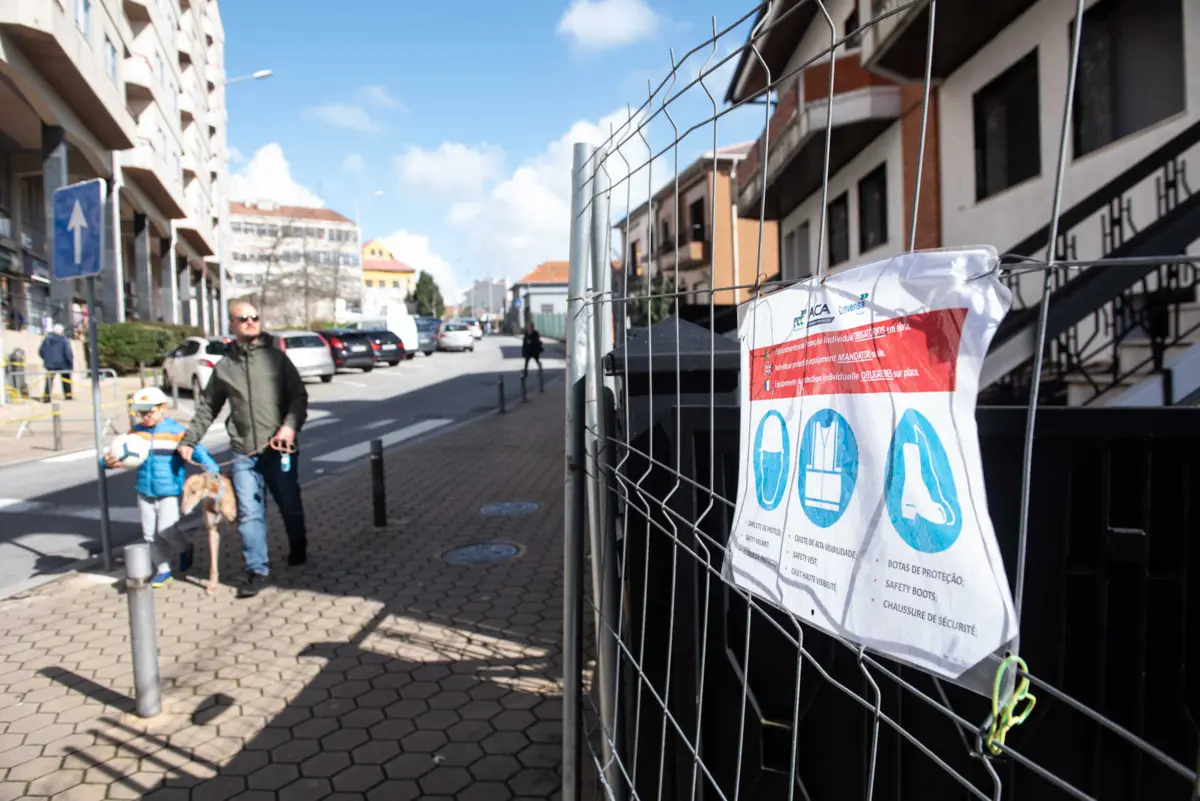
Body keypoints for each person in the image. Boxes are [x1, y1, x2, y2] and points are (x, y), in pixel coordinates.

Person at [178, 300, 308, 598]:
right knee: (249, 513)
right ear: (232, 325)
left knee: (289, 505)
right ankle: (256, 570)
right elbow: (207, 407)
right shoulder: (225, 368)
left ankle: (299, 545)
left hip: (279, 448)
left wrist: (289, 426)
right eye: (243, 318)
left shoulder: (277, 359)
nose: (250, 322)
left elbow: (299, 397)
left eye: (254, 317)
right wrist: (189, 440)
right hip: (243, 452)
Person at [105, 387, 221, 588]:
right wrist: (106, 462)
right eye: (141, 412)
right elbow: (117, 455)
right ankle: (163, 569)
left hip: (169, 490)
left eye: (149, 411)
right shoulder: (135, 434)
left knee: (167, 530)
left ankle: (185, 547)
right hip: (144, 490)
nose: (145, 416)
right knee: (150, 534)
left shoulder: (176, 431)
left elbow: (198, 451)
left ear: (162, 408)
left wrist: (213, 469)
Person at [39, 323, 74, 402]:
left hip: (50, 363)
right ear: (61, 331)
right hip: (62, 363)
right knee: (66, 378)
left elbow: (41, 351)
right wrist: (70, 361)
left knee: (49, 380)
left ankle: (47, 397)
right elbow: (68, 352)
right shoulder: (64, 339)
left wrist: (46, 359)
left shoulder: (47, 339)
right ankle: (68, 395)